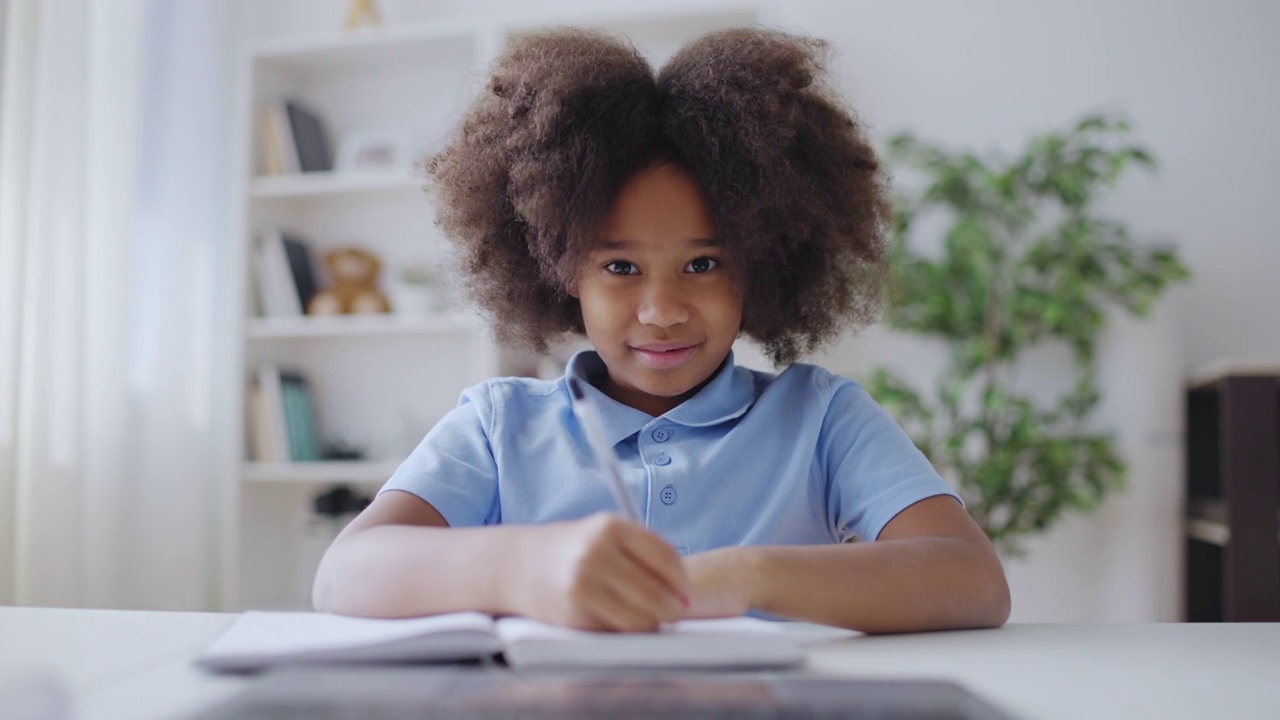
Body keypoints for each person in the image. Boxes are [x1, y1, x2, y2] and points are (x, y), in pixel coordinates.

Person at [312, 27, 1010, 634]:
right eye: (619, 266)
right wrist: (520, 567)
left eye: (703, 263)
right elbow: (344, 576)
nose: (661, 310)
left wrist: (745, 577)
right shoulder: (500, 427)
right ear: (557, 270)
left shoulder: (822, 419)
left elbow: (973, 581)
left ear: (763, 264)